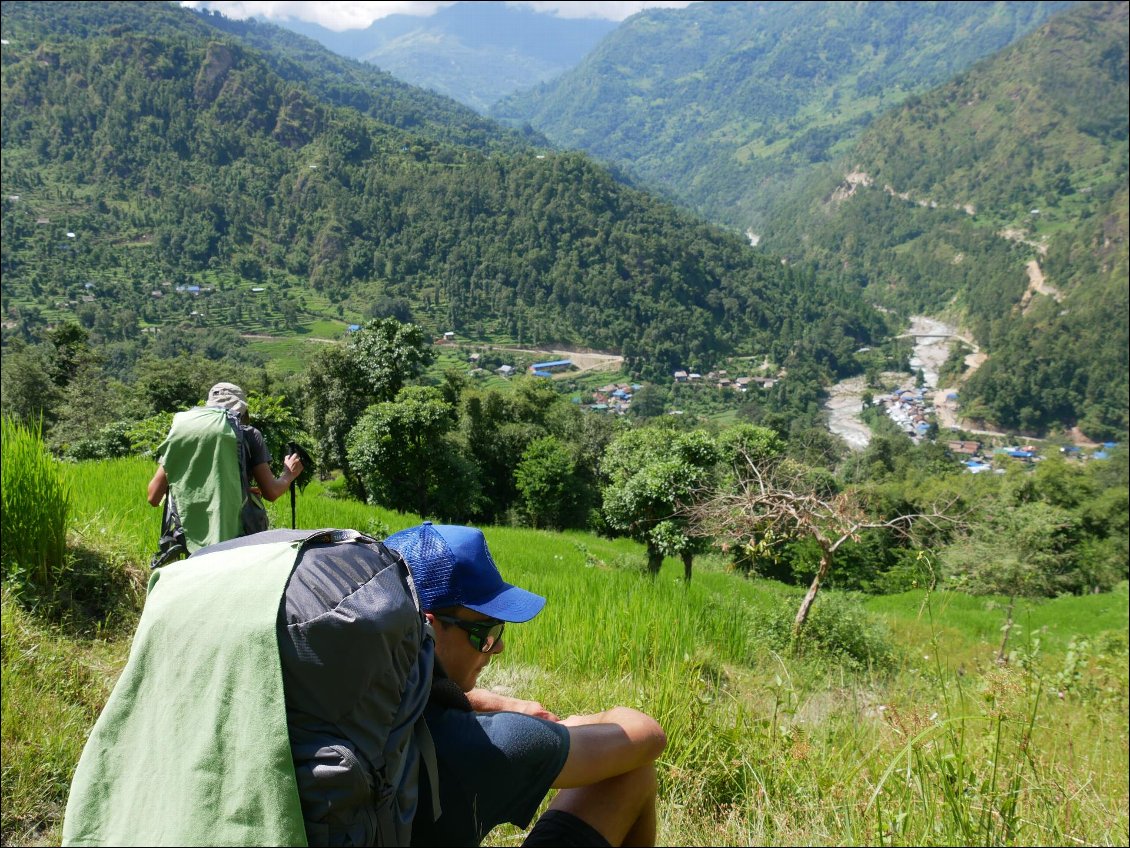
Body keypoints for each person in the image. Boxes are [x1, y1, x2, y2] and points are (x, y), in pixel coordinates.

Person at [384, 522, 667, 848]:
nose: (498, 646)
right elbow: (647, 734)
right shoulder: (481, 744)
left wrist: (500, 702)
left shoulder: (357, 697)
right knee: (633, 770)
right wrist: (570, 726)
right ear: (428, 631)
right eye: (484, 633)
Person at [146, 382, 303, 552]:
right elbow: (271, 492)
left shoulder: (183, 435)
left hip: (189, 539)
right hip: (239, 541)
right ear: (240, 409)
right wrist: (289, 474)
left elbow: (153, 496)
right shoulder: (249, 435)